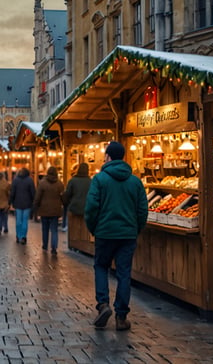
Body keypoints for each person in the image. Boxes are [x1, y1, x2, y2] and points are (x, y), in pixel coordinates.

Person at [85, 141, 148, 331]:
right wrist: (135, 229)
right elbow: (142, 210)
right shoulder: (135, 181)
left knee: (101, 267)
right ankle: (121, 316)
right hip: (127, 234)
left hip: (105, 233)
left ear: (108, 157)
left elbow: (91, 208)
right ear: (123, 157)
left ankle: (103, 305)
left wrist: (94, 228)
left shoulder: (100, 179)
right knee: (123, 273)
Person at [33, 167, 65, 255]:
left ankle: (45, 245)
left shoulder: (42, 183)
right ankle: (54, 247)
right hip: (55, 210)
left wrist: (35, 206)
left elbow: (38, 197)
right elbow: (63, 197)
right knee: (54, 230)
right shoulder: (59, 184)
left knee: (45, 229)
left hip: (44, 210)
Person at [62, 162, 92, 232]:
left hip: (74, 208)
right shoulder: (91, 182)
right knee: (85, 230)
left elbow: (67, 194)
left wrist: (67, 203)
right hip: (87, 208)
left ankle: (73, 241)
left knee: (73, 229)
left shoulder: (72, 181)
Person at [9, 167, 35, 245]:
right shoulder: (30, 180)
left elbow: (12, 192)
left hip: (18, 203)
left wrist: (10, 201)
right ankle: (23, 236)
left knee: (18, 221)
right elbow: (33, 192)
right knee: (24, 221)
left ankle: (18, 235)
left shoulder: (15, 180)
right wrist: (33, 201)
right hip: (27, 204)